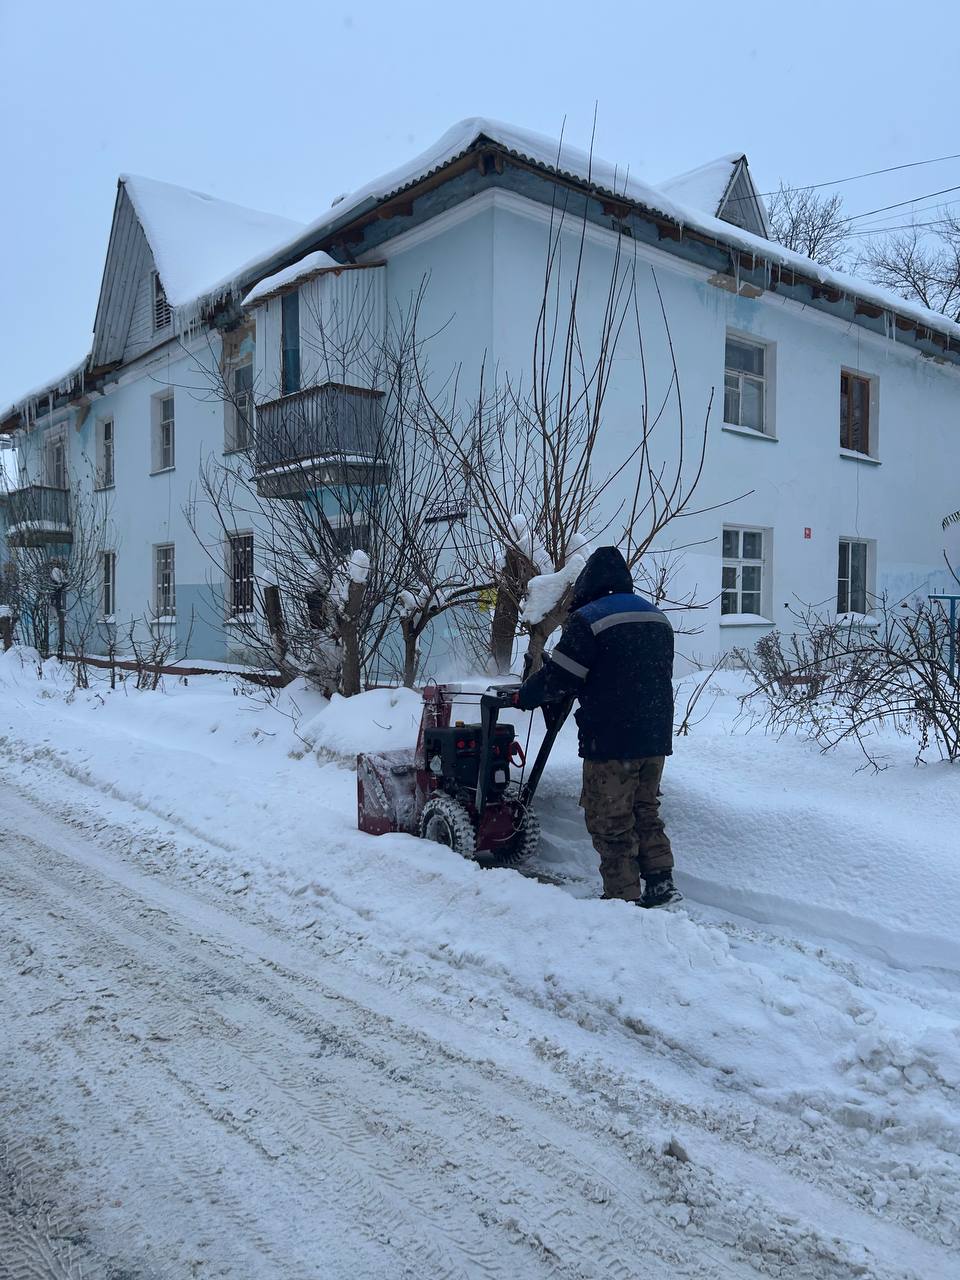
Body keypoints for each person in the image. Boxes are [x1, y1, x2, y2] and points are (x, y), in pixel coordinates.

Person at [516, 546, 680, 908]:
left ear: (588, 581)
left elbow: (561, 677)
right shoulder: (657, 617)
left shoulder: (589, 619)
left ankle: (621, 901)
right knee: (645, 809)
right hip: (654, 736)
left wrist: (525, 695)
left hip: (610, 737)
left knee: (611, 819)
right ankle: (660, 881)